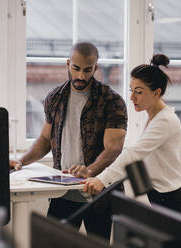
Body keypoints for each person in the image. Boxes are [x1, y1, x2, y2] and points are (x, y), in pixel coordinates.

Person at [9, 42, 128, 239]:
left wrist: (89, 170)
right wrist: (21, 161)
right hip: (62, 192)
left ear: (95, 68)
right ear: (68, 64)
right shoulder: (55, 98)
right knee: (52, 243)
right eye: (76, 68)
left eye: (88, 70)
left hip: (98, 194)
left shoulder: (111, 101)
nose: (81, 76)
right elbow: (45, 140)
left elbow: (114, 148)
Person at [71, 54, 181, 217]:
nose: (132, 97)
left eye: (139, 92)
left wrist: (102, 179)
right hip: (160, 199)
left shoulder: (165, 121)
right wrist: (94, 172)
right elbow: (137, 155)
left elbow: (135, 153)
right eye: (132, 91)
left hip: (172, 203)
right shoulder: (154, 118)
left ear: (157, 93)